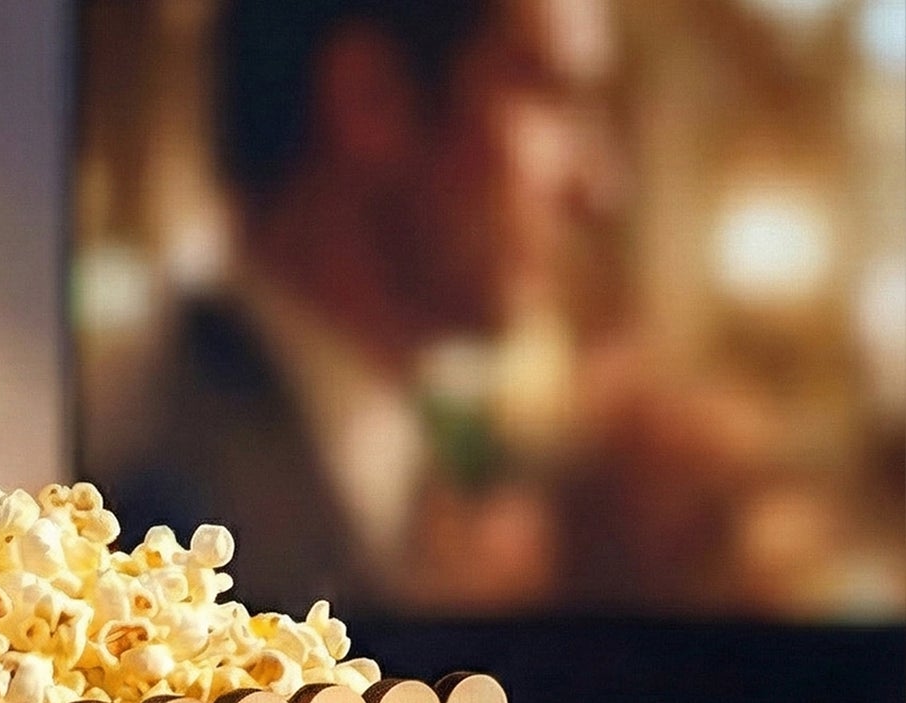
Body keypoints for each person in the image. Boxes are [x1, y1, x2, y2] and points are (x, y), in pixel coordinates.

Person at [95, 0, 611, 615]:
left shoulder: (409, 475)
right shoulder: (152, 513)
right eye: (545, 93)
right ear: (372, 97)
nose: (597, 187)